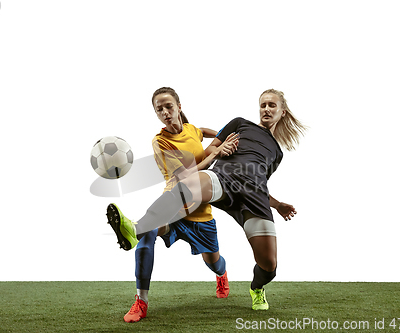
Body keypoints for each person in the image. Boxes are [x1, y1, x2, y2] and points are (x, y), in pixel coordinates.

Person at [107, 88, 306, 310]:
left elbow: (259, 181)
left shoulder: (277, 152)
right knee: (189, 184)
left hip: (253, 198)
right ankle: (136, 230)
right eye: (263, 105)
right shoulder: (240, 124)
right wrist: (221, 148)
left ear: (283, 111)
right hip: (224, 179)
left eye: (272, 105)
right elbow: (211, 148)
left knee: (269, 266)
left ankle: (257, 288)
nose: (266, 109)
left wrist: (277, 205)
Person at [115, 87, 237, 323]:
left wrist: (221, 135)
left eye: (168, 106)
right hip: (174, 205)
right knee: (147, 231)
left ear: (179, 107)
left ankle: (221, 275)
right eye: (159, 109)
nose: (165, 112)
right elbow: (185, 176)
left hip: (200, 214)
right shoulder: (161, 141)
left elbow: (200, 131)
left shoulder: (190, 130)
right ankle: (141, 300)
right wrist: (215, 155)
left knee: (214, 262)